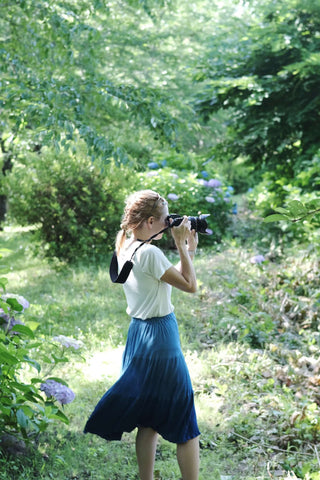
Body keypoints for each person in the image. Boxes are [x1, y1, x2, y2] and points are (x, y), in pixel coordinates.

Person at [84, 189, 200, 480]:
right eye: (165, 220)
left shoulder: (126, 245)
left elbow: (162, 278)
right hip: (162, 337)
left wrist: (190, 252)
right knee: (184, 419)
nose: (169, 224)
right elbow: (190, 285)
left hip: (138, 337)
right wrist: (181, 246)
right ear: (149, 221)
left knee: (148, 418)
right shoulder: (151, 252)